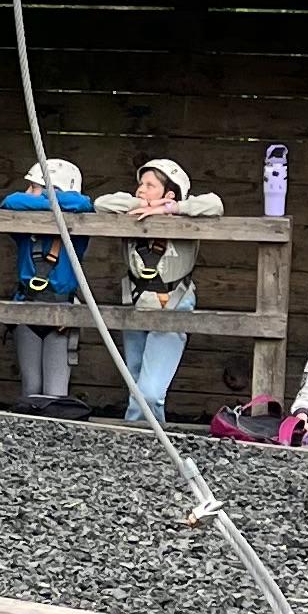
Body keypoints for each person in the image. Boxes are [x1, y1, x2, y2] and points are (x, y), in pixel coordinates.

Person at [93, 153, 219, 424]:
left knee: (150, 393)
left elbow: (214, 204)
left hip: (174, 303)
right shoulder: (132, 211)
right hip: (136, 302)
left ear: (170, 193)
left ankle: (143, 438)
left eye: (150, 185)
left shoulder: (186, 214)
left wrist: (170, 208)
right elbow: (101, 203)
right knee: (136, 387)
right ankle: (144, 441)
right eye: (141, 184)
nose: (141, 189)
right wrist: (144, 203)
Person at [0, 155, 91, 410]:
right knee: (31, 388)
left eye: (34, 187)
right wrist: (48, 201)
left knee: (55, 393)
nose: (27, 193)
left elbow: (82, 203)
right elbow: (10, 202)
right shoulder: (25, 230)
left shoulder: (75, 231)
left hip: (62, 312)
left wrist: (47, 199)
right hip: (26, 307)